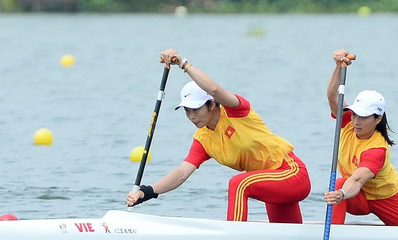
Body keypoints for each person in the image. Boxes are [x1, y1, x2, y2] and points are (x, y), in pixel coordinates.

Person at [126, 48, 311, 223]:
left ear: (212, 104)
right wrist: (147, 192)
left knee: (238, 184)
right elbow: (181, 173)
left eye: (196, 109)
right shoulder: (203, 139)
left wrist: (183, 63)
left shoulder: (236, 111)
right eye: (187, 111)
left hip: (291, 173)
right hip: (270, 184)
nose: (191, 116)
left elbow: (214, 90)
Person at [323, 49, 398, 226]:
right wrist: (338, 67)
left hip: (386, 197)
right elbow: (332, 95)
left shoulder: (376, 149)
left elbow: (357, 180)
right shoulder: (347, 122)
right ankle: (333, 234)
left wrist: (341, 195)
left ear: (378, 119)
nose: (356, 122)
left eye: (364, 117)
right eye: (355, 115)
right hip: (357, 197)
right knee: (339, 183)